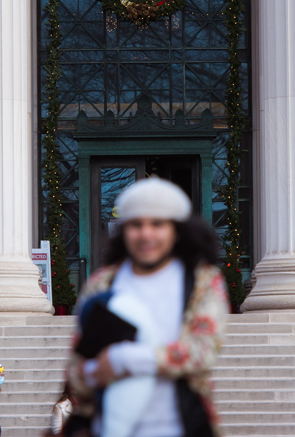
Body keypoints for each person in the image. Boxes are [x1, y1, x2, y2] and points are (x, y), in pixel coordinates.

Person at [63, 177, 230, 437]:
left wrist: (124, 359)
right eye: (136, 225)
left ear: (177, 229)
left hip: (182, 427)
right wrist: (93, 373)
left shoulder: (203, 280)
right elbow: (76, 367)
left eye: (157, 224)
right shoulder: (102, 283)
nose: (146, 234)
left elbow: (203, 351)